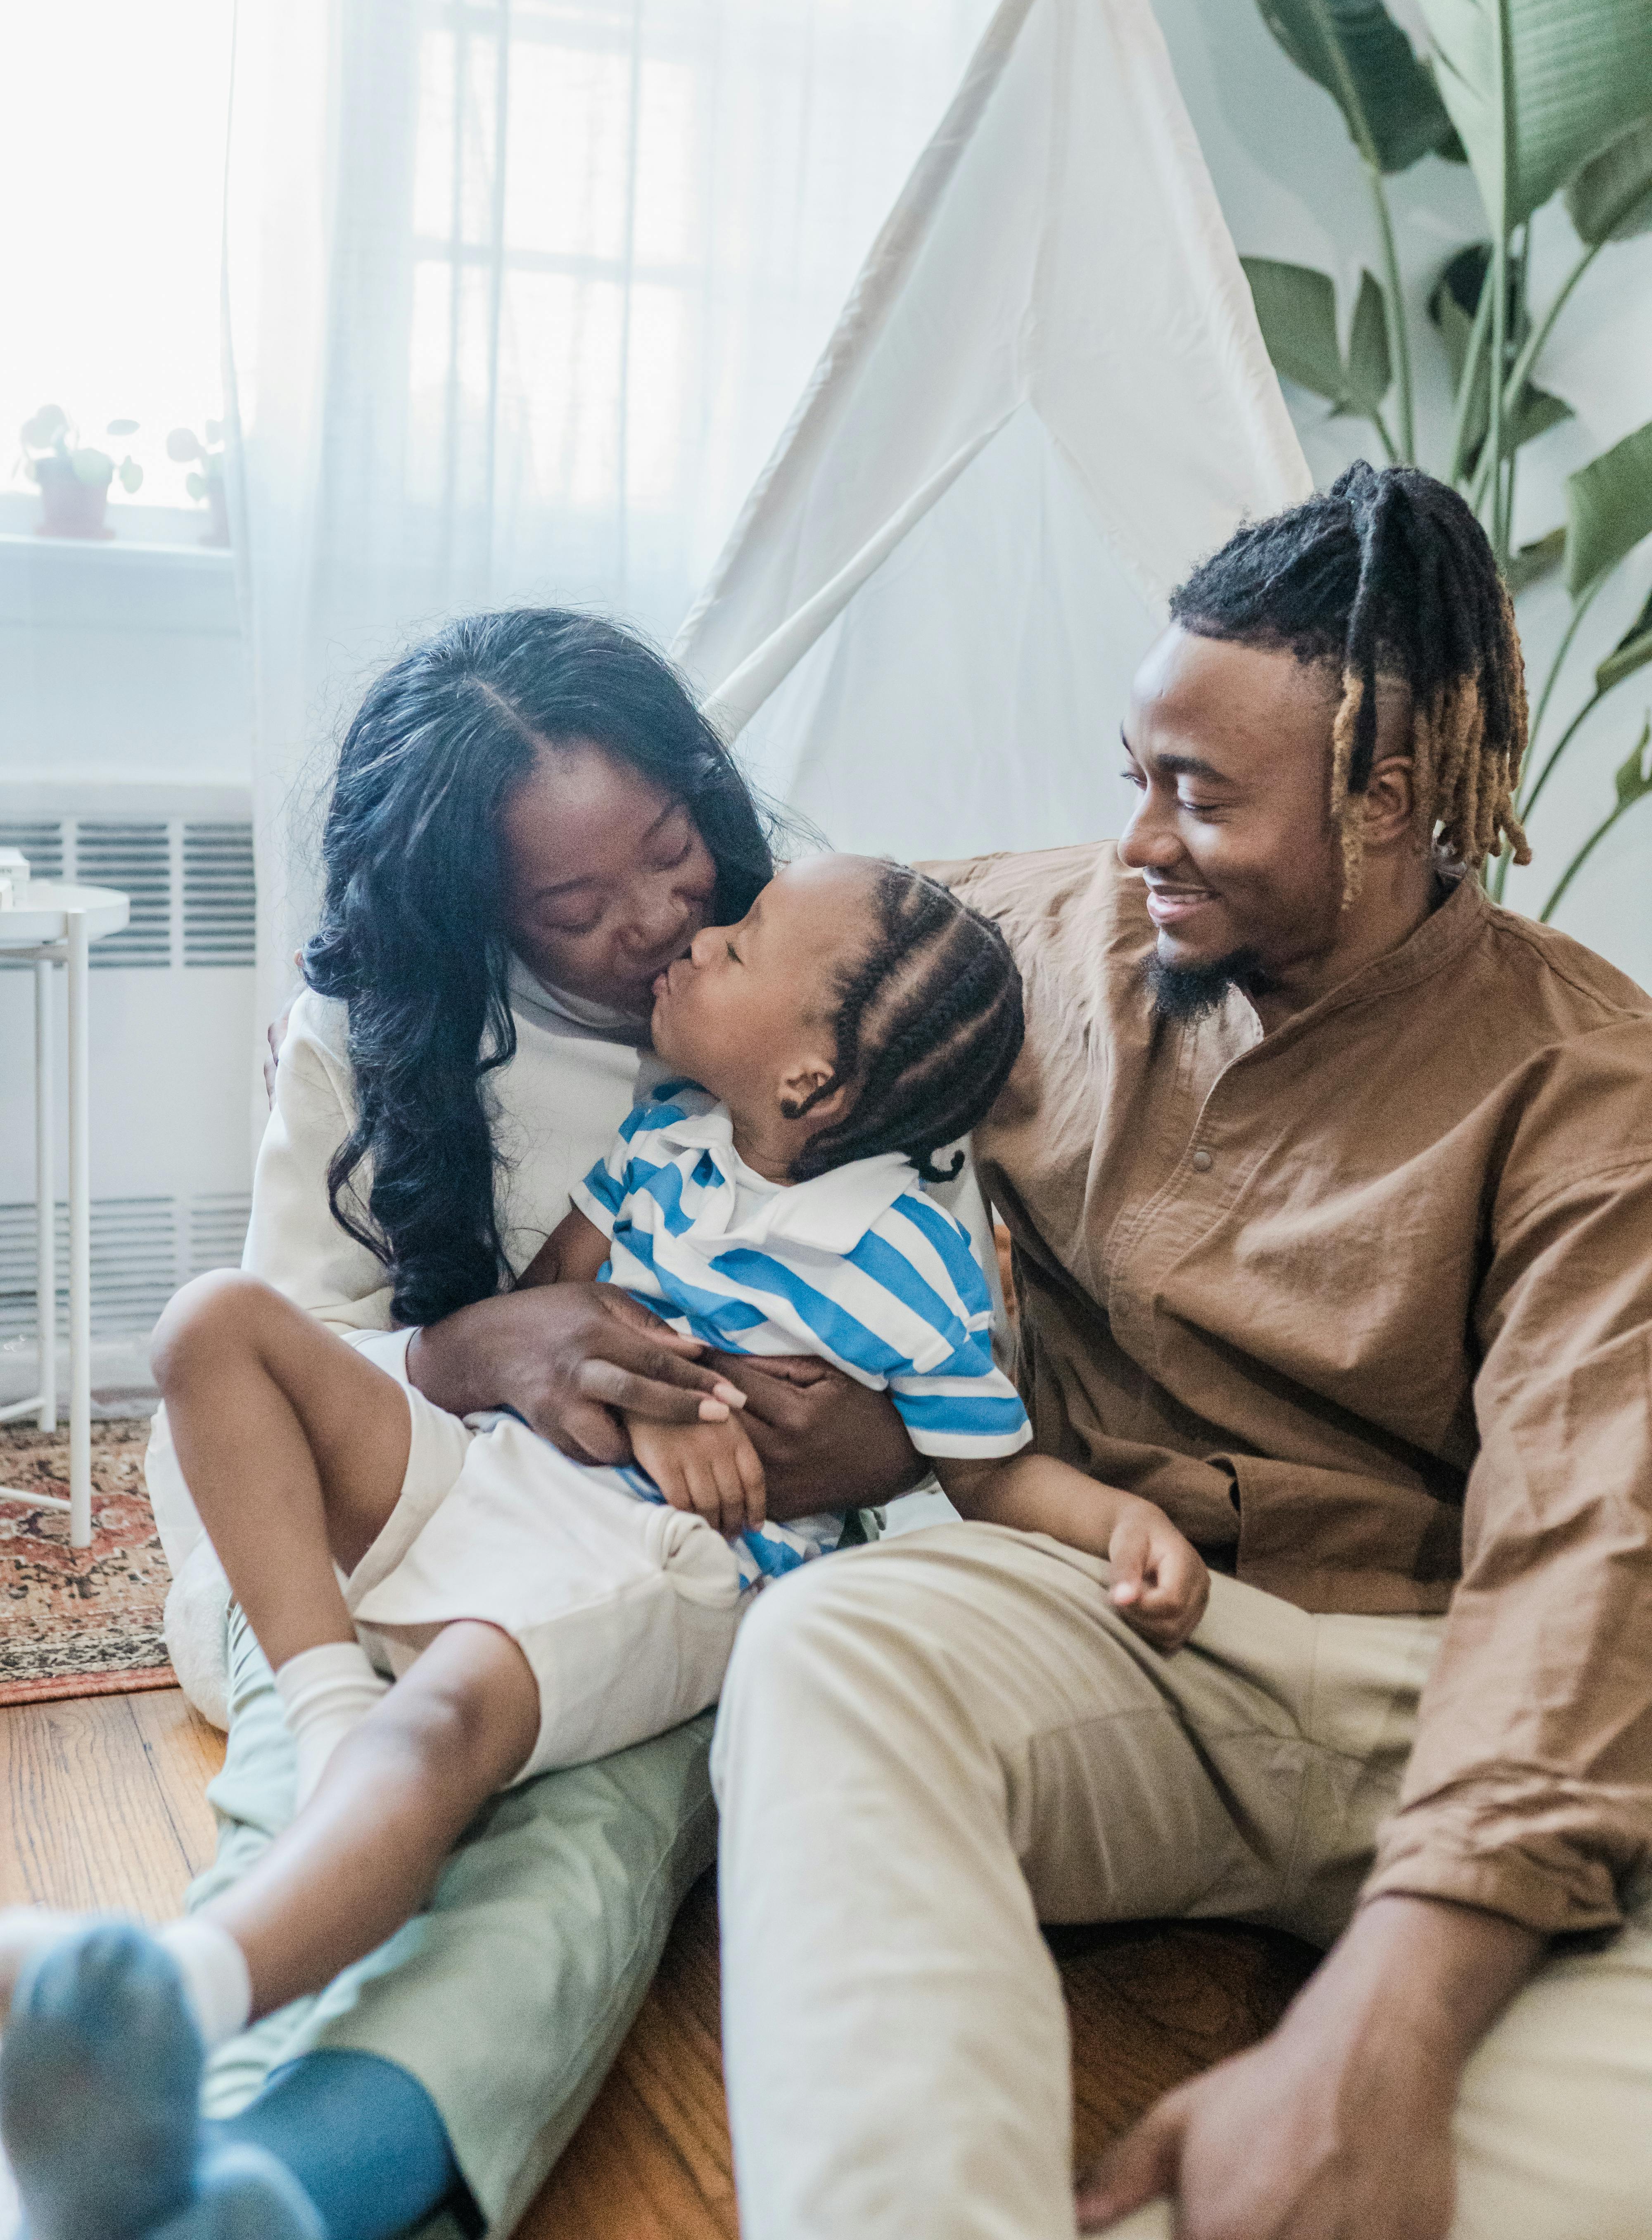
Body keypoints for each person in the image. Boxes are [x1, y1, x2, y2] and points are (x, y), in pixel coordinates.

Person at [0, 856, 1213, 2240]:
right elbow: (541, 1329)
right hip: (524, 1467)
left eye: (738, 943)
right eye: (576, 901)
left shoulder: (906, 1255)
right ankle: (324, 1698)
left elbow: (991, 1474)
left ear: (812, 1083)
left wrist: (1126, 1523)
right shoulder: (665, 1139)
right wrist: (636, 1398)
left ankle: (178, 1993)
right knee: (210, 1326)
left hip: (668, 1561)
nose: (693, 940)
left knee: (444, 1728)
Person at [711, 460, 1652, 2240]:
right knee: (832, 1644)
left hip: (1456, 1688)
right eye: (1131, 776)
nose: (1135, 836)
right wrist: (528, 1306)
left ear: (1383, 805)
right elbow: (744, 963)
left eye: (1197, 796)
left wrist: (1378, 2033)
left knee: (1436, 2160)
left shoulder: (1591, 1085)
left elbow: (1587, 1565)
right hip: (1151, 1650)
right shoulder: (1037, 940)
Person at [124, 611, 933, 2240]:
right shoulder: (383, 1033)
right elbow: (300, 1347)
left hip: (665, 1557)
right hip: (393, 1520)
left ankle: (272, 2178)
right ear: (470, 913)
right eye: (573, 905)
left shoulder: (807, 1004)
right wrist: (479, 1347)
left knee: (572, 1845)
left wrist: (739, 1430)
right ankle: (146, 2108)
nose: (656, 924)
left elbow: (913, 1386)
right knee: (331, 1767)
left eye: (673, 849)